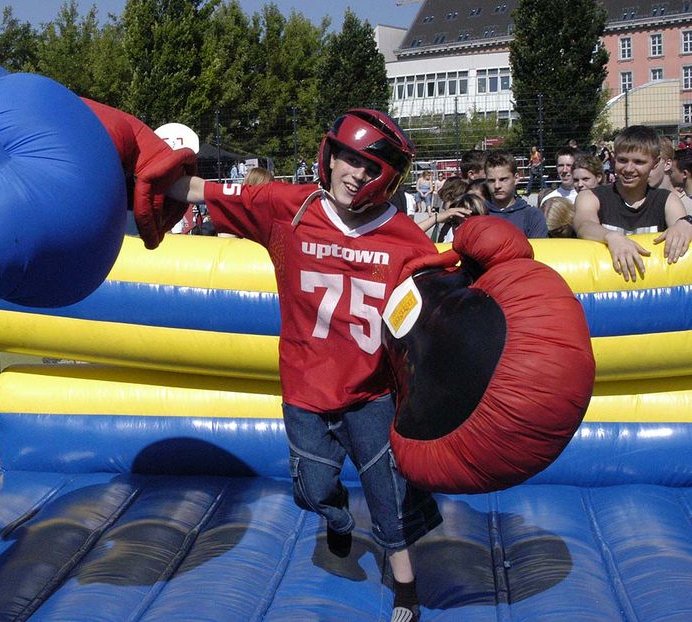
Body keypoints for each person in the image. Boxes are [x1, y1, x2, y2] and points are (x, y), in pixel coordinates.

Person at [167, 109, 442, 622]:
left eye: (368, 166)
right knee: (314, 491)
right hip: (305, 387)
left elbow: (440, 303)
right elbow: (200, 192)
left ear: (387, 177)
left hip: (372, 390)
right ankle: (337, 521)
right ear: (330, 156)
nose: (354, 173)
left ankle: (406, 587)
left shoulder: (406, 237)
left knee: (390, 490)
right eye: (348, 158)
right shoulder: (286, 208)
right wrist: (141, 169)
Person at [573, 125, 692, 281]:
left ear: (655, 163)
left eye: (639, 162)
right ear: (614, 158)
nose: (629, 169)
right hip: (605, 285)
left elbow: (680, 230)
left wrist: (685, 223)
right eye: (622, 160)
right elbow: (584, 225)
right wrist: (611, 237)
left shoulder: (667, 200)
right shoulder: (591, 197)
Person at [484, 150, 549, 238]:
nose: (497, 186)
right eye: (491, 180)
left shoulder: (532, 216)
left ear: (516, 178)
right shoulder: (477, 213)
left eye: (503, 179)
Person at [413, 176, 467, 241]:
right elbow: (411, 233)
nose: (443, 206)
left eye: (446, 200)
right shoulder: (448, 226)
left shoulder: (468, 228)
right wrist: (436, 218)